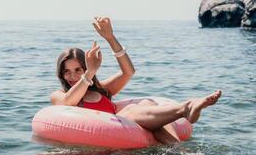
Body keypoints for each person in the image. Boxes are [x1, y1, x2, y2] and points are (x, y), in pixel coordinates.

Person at [50, 17, 222, 144]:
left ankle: (179, 147)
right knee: (131, 110)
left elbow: (128, 71)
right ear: (61, 74)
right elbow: (68, 102)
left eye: (78, 70)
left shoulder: (101, 90)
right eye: (67, 72)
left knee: (147, 102)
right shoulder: (59, 95)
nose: (72, 76)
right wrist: (89, 73)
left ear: (85, 68)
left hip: (126, 141)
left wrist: (110, 38)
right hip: (105, 148)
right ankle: (185, 108)